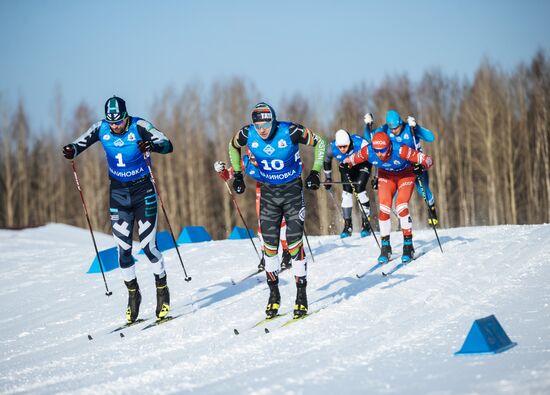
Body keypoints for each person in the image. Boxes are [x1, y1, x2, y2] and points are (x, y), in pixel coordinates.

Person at [62, 96, 173, 324]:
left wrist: (151, 145)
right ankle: (133, 295)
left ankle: (162, 290)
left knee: (148, 247)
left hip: (143, 192)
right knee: (123, 250)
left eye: (119, 122)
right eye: (112, 123)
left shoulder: (139, 126)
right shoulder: (101, 129)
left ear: (125, 116)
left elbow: (167, 144)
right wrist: (71, 150)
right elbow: (78, 144)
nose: (115, 127)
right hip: (119, 194)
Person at [228, 102, 326, 319]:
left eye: (266, 124)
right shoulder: (247, 133)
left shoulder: (290, 131)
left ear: (273, 120)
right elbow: (232, 146)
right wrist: (237, 174)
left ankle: (301, 295)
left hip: (292, 191)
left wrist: (315, 172)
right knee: (269, 247)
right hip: (269, 194)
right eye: (258, 125)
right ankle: (274, 294)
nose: (262, 129)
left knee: (293, 242)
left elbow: (320, 142)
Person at [343, 131, 433, 264]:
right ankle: (385, 247)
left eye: (383, 150)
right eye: (376, 150)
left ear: (389, 147)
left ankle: (408, 245)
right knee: (384, 208)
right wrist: (345, 165)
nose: (379, 154)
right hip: (386, 176)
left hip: (405, 175)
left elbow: (427, 160)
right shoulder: (368, 151)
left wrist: (422, 166)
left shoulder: (401, 149)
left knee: (401, 205)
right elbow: (350, 159)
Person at [213, 156, 292, 270]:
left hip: (280, 191)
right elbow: (229, 175)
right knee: (263, 225)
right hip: (262, 192)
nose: (254, 158)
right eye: (251, 155)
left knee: (282, 223)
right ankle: (266, 256)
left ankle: (287, 253)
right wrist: (221, 171)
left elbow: (295, 166)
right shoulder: (246, 160)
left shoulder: (274, 153)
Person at [364, 110, 438, 225]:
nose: (394, 131)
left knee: (423, 190)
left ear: (401, 123)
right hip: (397, 168)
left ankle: (431, 208)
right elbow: (370, 137)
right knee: (397, 196)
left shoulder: (410, 128)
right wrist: (367, 125)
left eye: (397, 128)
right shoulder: (384, 130)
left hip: (414, 165)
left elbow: (431, 137)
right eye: (392, 129)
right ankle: (402, 220)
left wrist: (417, 127)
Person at [323, 129, 372, 238]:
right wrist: (328, 178)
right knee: (346, 193)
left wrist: (377, 176)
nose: (342, 149)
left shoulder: (360, 143)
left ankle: (366, 223)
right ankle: (348, 226)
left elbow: (375, 155)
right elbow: (326, 160)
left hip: (363, 165)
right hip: (346, 167)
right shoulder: (332, 148)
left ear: (349, 143)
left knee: (359, 189)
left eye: (345, 146)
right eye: (340, 147)